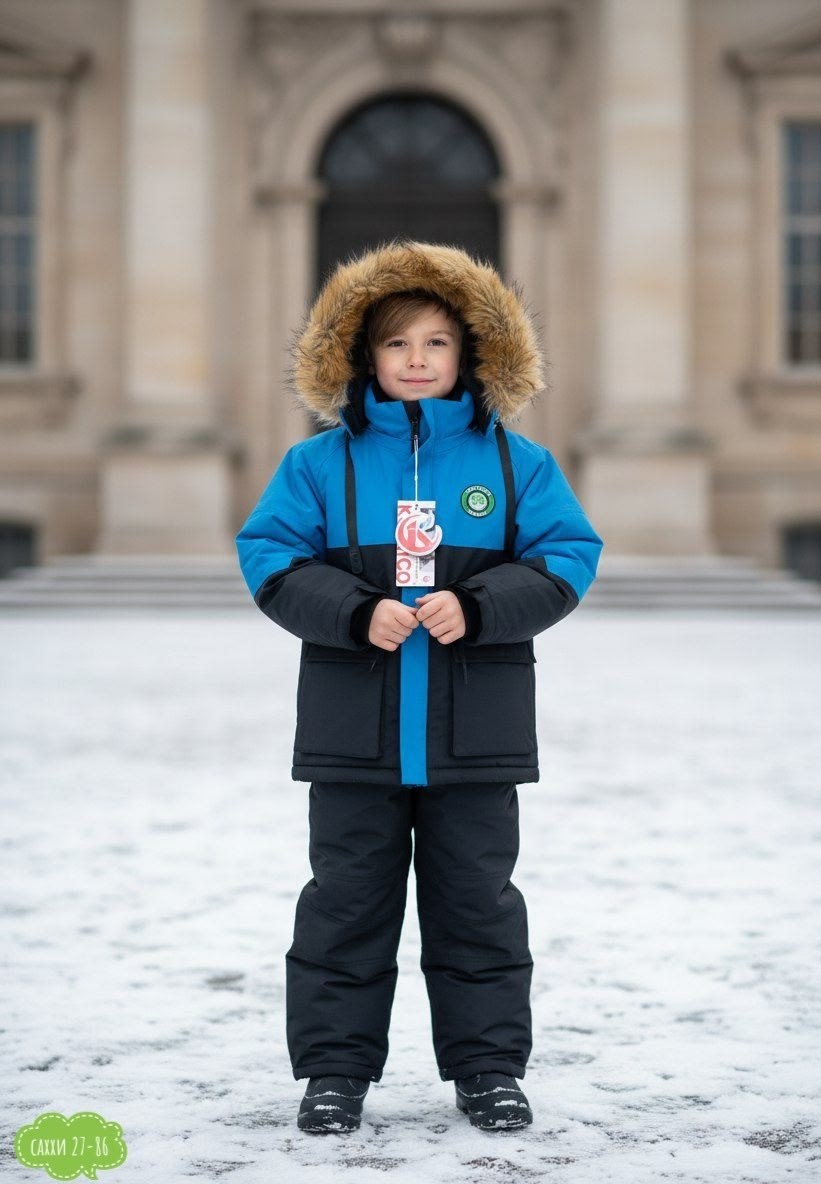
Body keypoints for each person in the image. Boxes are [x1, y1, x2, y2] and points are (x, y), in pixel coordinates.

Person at [236, 240, 604, 1134]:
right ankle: (334, 1073)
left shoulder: (517, 465)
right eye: (398, 345)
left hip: (474, 738)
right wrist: (357, 610)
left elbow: (568, 554)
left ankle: (487, 1071)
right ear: (362, 356)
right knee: (344, 907)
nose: (416, 361)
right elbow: (271, 554)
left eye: (437, 345)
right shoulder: (320, 464)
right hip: (353, 735)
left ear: (472, 355)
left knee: (477, 908)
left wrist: (476, 605)